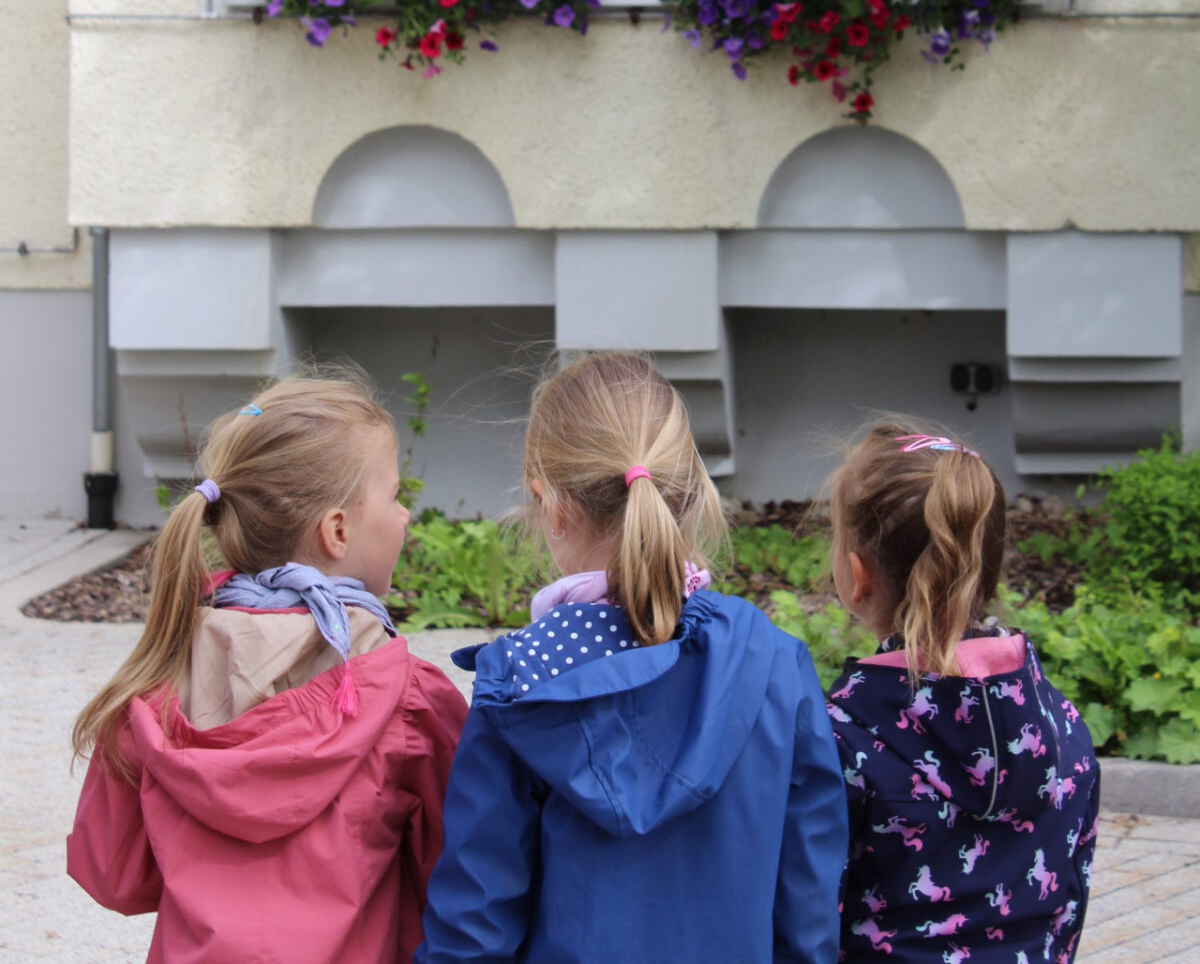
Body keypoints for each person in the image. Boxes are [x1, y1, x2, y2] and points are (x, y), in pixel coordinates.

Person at [416, 352, 847, 964]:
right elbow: (808, 903)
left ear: (552, 505)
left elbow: (474, 925)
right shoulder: (774, 663)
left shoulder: (522, 680)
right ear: (690, 490)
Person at [67, 370, 466, 964]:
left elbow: (114, 874)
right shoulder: (407, 701)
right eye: (393, 495)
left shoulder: (154, 685)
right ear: (337, 529)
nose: (405, 515)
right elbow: (458, 870)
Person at [826, 421, 1099, 963]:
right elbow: (1069, 899)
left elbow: (804, 913)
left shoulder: (839, 743)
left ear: (857, 575)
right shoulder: (1064, 726)